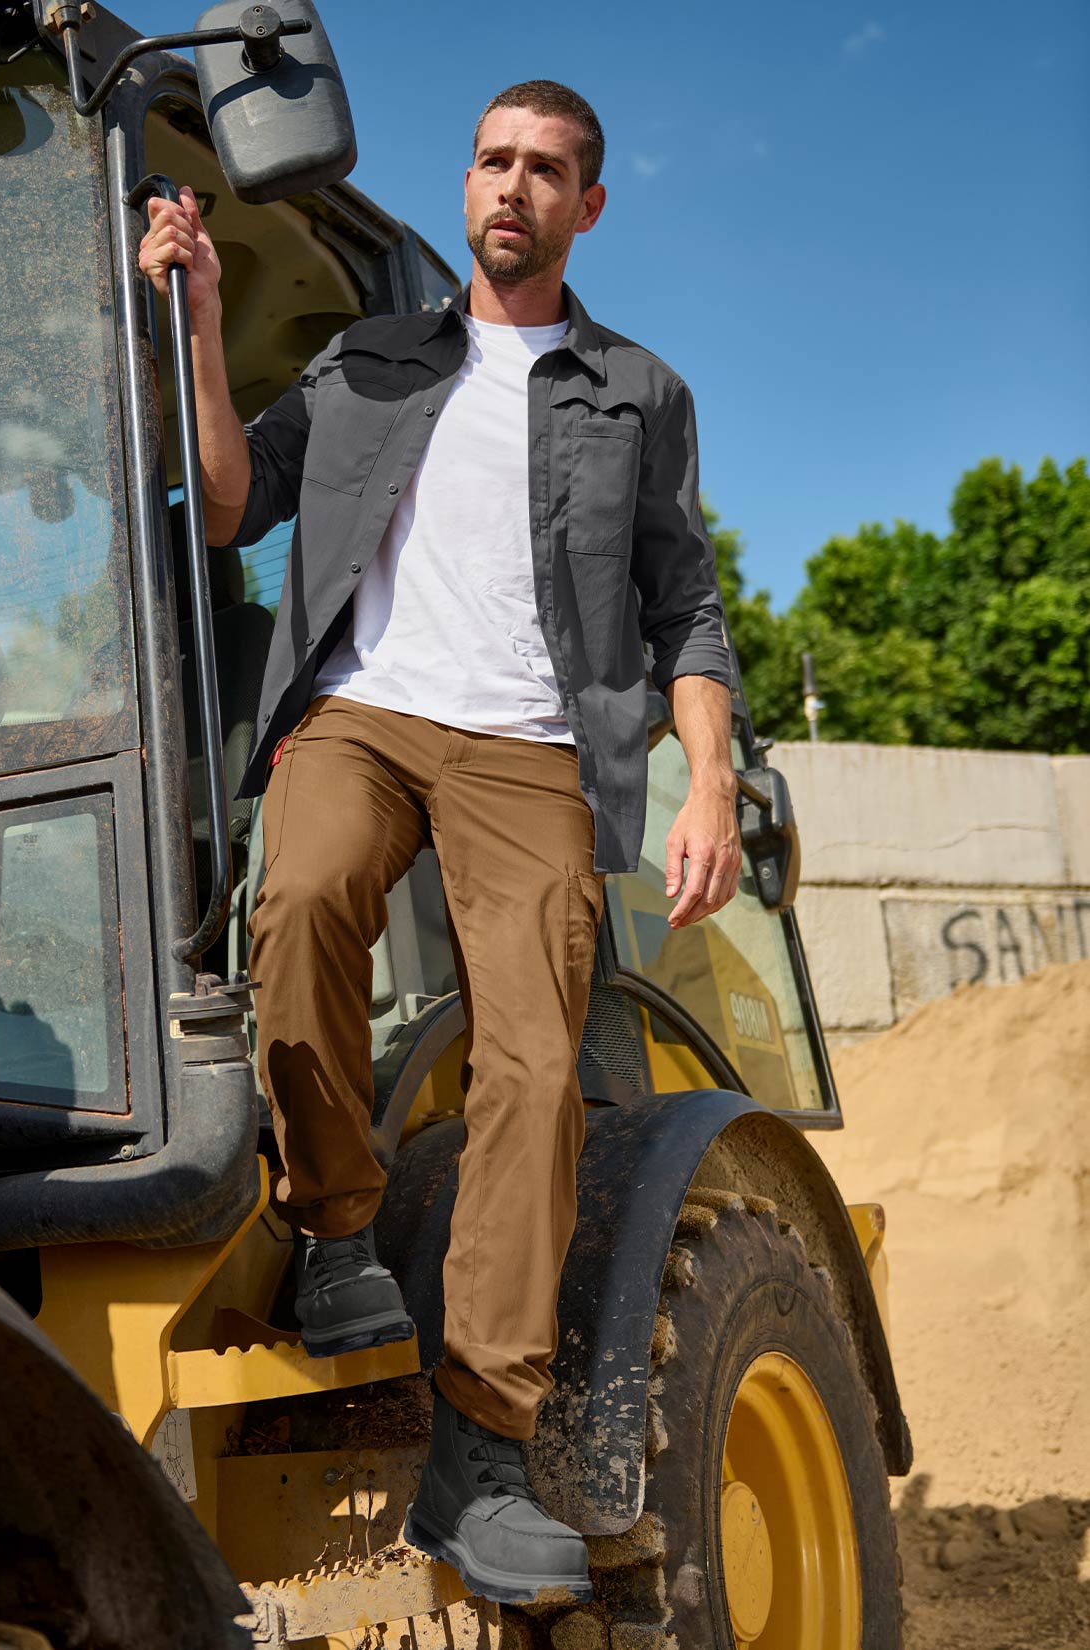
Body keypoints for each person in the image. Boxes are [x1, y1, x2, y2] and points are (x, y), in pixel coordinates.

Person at [138, 79, 740, 1605]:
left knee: (536, 1061)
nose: (514, 187)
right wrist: (203, 318)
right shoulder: (368, 358)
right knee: (304, 899)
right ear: (467, 182)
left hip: (534, 752)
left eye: (547, 170)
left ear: (587, 207)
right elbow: (223, 502)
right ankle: (338, 1224)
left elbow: (690, 611)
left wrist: (715, 783)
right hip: (365, 712)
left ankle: (479, 1447)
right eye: (493, 160)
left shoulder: (635, 393)